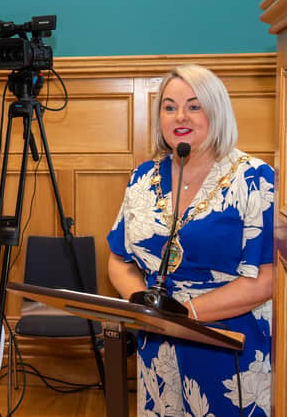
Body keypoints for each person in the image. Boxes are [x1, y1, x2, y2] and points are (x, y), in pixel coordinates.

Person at [107, 64, 273, 416]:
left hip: (229, 348)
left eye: (194, 106)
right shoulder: (142, 176)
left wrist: (186, 315)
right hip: (158, 346)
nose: (180, 116)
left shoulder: (255, 178)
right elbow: (118, 260)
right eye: (169, 107)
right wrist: (142, 306)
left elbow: (267, 278)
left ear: (217, 111)